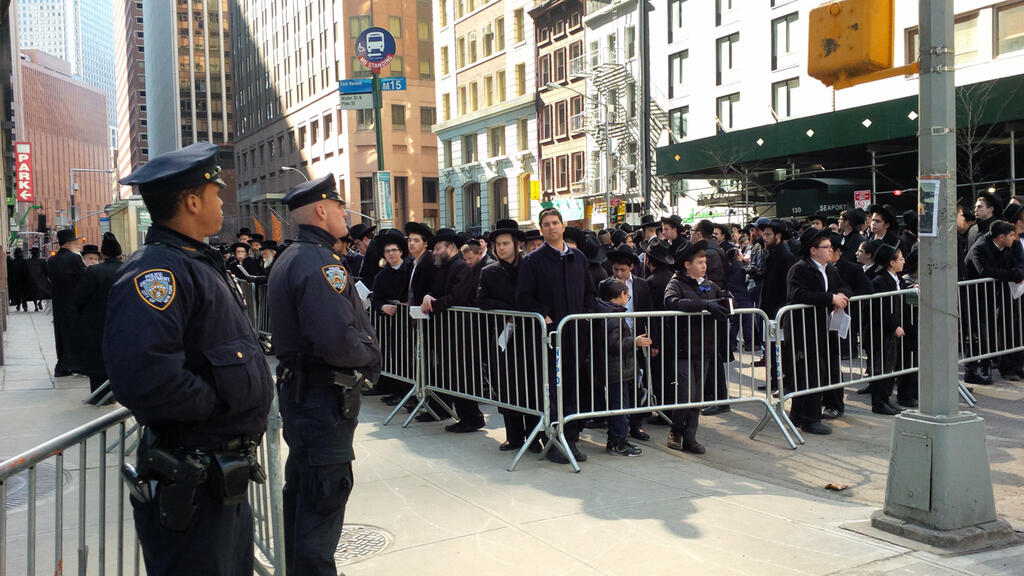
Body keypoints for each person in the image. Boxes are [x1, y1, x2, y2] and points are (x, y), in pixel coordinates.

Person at [106, 141, 273, 576]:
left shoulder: (197, 261)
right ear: (193, 200)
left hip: (220, 477)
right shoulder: (157, 273)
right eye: (216, 192)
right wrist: (218, 406)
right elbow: (148, 378)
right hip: (193, 478)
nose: (222, 200)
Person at [269, 173, 381, 576]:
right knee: (323, 495)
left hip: (304, 396)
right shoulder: (320, 264)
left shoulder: (293, 257)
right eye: (338, 206)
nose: (343, 213)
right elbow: (338, 339)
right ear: (321, 210)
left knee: (304, 491)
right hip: (321, 399)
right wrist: (371, 354)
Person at [516, 207, 598, 464]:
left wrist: (584, 318)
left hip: (576, 335)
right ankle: (553, 439)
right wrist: (545, 314)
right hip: (549, 339)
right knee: (552, 390)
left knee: (574, 387)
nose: (551, 227)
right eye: (546, 224)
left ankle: (570, 438)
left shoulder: (578, 258)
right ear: (541, 230)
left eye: (555, 223)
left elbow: (589, 293)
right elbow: (523, 296)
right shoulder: (533, 260)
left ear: (563, 226)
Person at [477, 218, 543, 452]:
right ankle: (514, 437)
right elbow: (482, 300)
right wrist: (506, 311)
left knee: (532, 387)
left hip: (531, 336)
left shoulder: (531, 266)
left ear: (518, 245)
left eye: (506, 243)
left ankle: (535, 436)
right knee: (508, 388)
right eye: (498, 244)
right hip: (505, 338)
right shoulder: (489, 272)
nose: (501, 248)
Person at [662, 240, 731, 454]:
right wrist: (703, 304)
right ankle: (675, 431)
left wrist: (726, 301)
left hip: (705, 348)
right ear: (687, 264)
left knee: (697, 396)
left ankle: (690, 437)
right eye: (700, 262)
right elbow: (671, 302)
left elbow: (721, 300)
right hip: (683, 348)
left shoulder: (709, 284)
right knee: (686, 394)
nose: (704, 266)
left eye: (705, 262)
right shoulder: (676, 283)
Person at [783, 227, 852, 436]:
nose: (830, 250)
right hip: (803, 328)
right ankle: (809, 418)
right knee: (810, 372)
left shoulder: (829, 269)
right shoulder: (800, 268)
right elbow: (797, 294)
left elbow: (845, 286)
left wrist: (841, 294)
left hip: (823, 328)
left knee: (818, 371)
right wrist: (830, 298)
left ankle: (799, 414)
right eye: (826, 247)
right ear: (813, 250)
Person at [422, 227, 485, 432]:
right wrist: (428, 297)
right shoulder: (444, 267)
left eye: (438, 247)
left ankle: (472, 417)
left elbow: (456, 297)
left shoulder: (460, 267)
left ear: (450, 247)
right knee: (452, 374)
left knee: (463, 374)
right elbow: (436, 291)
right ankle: (460, 414)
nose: (435, 252)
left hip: (461, 331)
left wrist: (434, 303)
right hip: (448, 330)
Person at [599, 244, 654, 441]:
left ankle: (635, 425)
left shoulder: (641, 284)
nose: (619, 273)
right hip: (616, 342)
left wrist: (651, 342)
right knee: (617, 389)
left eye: (623, 269)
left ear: (631, 268)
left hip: (637, 339)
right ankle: (616, 427)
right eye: (616, 269)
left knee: (637, 385)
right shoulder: (605, 285)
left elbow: (649, 313)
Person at [965, 219, 1023, 385]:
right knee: (979, 335)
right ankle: (973, 369)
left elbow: (1017, 265)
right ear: (1001, 237)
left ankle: (986, 368)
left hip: (993, 297)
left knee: (989, 334)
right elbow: (985, 271)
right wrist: (1013, 275)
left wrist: (1018, 273)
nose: (1015, 238)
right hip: (976, 298)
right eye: (1011, 235)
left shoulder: (1008, 247)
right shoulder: (980, 248)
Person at [596, 279, 649, 456]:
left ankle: (616, 439)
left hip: (617, 368)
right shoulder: (613, 316)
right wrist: (635, 341)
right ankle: (618, 442)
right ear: (622, 295)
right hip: (616, 369)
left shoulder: (607, 311)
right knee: (620, 407)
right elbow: (614, 344)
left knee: (620, 406)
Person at [72, 232, 124, 399]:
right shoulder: (128, 269)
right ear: (120, 254)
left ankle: (99, 397)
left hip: (96, 323)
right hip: (123, 323)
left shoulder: (94, 271)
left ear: (104, 254)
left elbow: (79, 298)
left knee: (97, 360)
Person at [867, 243, 909, 415]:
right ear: (891, 263)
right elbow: (880, 309)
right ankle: (879, 403)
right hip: (882, 332)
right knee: (881, 367)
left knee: (890, 366)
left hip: (892, 332)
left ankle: (886, 399)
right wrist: (895, 326)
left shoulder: (897, 279)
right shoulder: (880, 281)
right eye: (900, 259)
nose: (904, 261)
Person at [369, 230, 411, 399]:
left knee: (409, 357)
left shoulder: (410, 269)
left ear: (401, 251)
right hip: (392, 324)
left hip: (410, 323)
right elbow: (376, 299)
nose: (392, 254)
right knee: (394, 357)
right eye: (388, 251)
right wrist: (383, 307)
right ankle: (396, 391)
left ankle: (408, 392)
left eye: (394, 250)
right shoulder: (381, 276)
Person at [47, 228, 86, 376]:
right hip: (74, 302)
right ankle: (75, 364)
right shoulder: (74, 258)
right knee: (75, 334)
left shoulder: (51, 261)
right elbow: (84, 278)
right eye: (76, 241)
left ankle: (62, 365)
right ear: (69, 243)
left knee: (61, 334)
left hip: (58, 302)